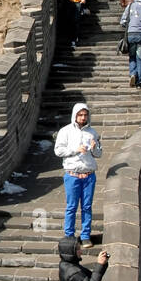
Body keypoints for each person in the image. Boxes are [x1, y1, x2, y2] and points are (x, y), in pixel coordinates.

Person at [54, 102, 102, 248]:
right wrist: (75, 149)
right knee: (72, 206)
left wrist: (94, 149)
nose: (83, 118)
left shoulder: (93, 132)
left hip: (88, 175)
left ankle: (85, 235)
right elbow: (58, 151)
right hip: (72, 175)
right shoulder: (65, 131)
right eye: (80, 115)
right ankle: (69, 235)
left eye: (85, 115)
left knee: (87, 206)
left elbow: (99, 153)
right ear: (75, 115)